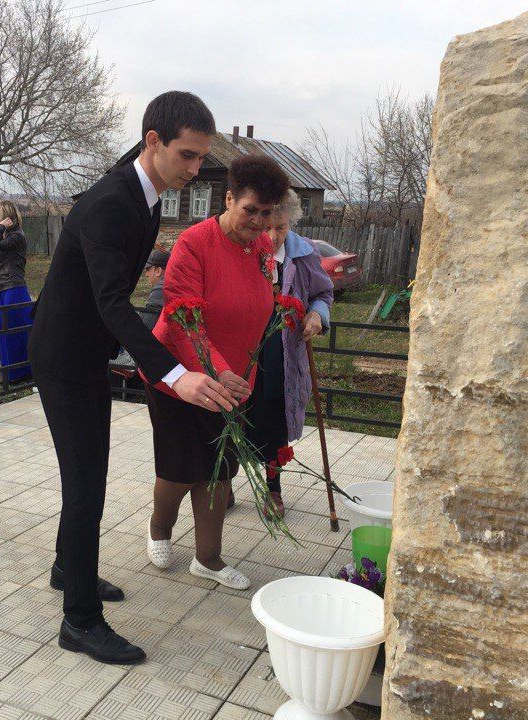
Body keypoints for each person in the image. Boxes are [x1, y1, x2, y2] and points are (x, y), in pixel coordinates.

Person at [29, 90, 235, 665]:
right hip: (64, 358)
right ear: (153, 142)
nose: (196, 169)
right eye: (188, 156)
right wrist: (174, 375)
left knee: (87, 473)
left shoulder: (146, 198)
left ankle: (68, 570)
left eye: (202, 158)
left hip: (87, 354)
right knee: (87, 482)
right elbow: (113, 303)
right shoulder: (111, 203)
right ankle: (79, 620)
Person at [144, 153, 291, 591]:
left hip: (233, 382)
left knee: (219, 469)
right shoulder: (193, 244)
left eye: (268, 214)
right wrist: (218, 370)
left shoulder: (262, 247)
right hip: (181, 379)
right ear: (228, 199)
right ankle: (159, 527)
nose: (260, 223)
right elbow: (184, 321)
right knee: (180, 469)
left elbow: (256, 307)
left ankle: (207, 558)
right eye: (250, 211)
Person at [240, 189, 334, 518]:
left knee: (274, 422)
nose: (273, 235)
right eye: (267, 226)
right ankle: (223, 483)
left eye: (281, 227)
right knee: (235, 415)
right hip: (240, 352)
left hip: (281, 355)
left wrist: (316, 315)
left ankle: (272, 491)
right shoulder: (242, 249)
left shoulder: (303, 254)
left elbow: (323, 292)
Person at [0, 200, 32, 383]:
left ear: (5, 216)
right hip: (2, 288)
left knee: (15, 332)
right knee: (3, 332)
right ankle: (9, 372)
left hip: (14, 288)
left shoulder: (16, 236)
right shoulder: (7, 234)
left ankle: (20, 373)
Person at [141, 248, 169, 329]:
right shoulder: (179, 283)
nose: (146, 274)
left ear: (158, 271)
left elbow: (146, 326)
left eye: (148, 269)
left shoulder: (160, 290)